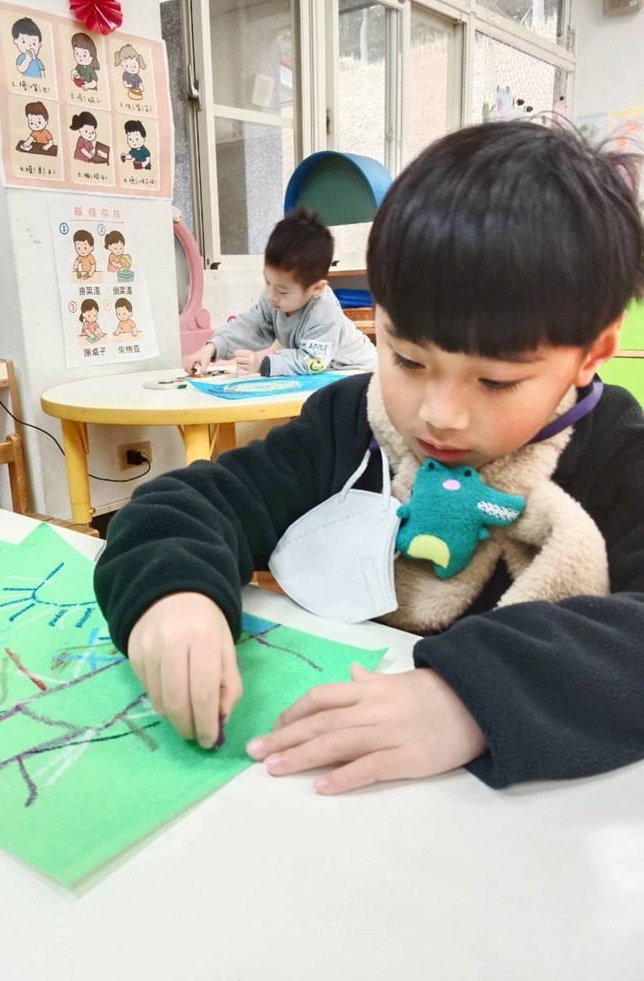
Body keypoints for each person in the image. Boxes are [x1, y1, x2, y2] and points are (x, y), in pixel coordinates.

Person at [93, 121, 644, 797]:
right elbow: (190, 504)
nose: (440, 415)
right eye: (407, 359)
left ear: (591, 353)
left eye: (496, 381)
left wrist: (471, 696)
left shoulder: (617, 452)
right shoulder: (349, 422)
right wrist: (174, 594)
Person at [184, 207, 377, 377]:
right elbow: (250, 326)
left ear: (316, 289)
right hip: (324, 374)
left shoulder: (325, 313)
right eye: (267, 282)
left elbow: (313, 361)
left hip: (359, 372)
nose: (271, 295)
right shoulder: (273, 298)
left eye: (283, 291)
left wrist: (263, 363)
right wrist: (212, 347)